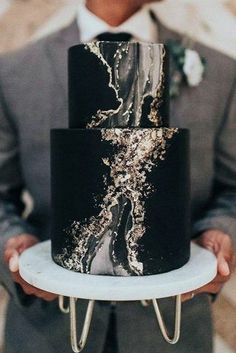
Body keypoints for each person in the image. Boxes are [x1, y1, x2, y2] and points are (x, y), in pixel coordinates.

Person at [0, 0, 235, 352]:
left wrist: (221, 231)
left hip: (172, 329)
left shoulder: (221, 70)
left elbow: (232, 188)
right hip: (47, 330)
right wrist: (12, 244)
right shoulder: (15, 71)